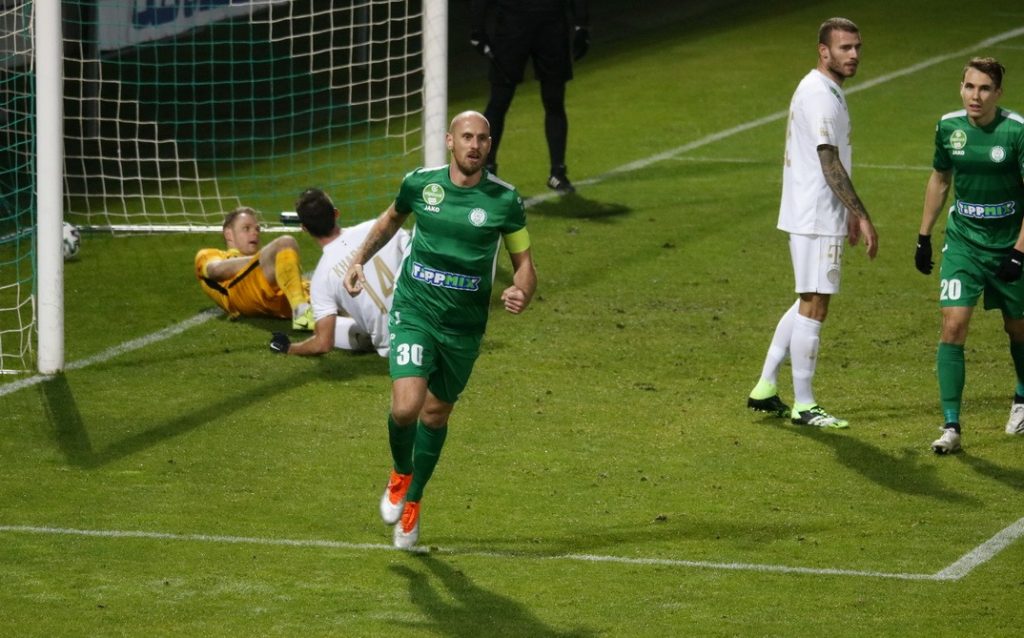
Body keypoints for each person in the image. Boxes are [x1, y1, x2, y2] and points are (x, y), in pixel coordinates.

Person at [343, 111, 537, 549]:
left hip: (464, 326)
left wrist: (521, 290)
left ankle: (413, 500)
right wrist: (359, 260)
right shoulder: (420, 184)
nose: (474, 145)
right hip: (415, 311)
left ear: (490, 145)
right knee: (406, 408)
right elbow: (391, 219)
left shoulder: (504, 200)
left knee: (434, 414)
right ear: (450, 141)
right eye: (466, 137)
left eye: (482, 139)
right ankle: (400, 473)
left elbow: (524, 264)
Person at [746, 17, 879, 429]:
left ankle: (766, 386)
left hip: (814, 210)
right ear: (824, 51)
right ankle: (805, 404)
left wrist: (848, 211)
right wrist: (861, 213)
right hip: (817, 214)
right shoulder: (820, 94)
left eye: (857, 47)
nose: (853, 55)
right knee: (815, 304)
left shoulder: (822, 87)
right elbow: (828, 159)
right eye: (844, 48)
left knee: (807, 298)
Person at [914, 57, 1024, 454]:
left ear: (998, 93)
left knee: (1018, 329)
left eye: (984, 88)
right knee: (953, 326)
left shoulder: (1016, 132)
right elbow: (940, 178)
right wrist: (924, 235)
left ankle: (1022, 396)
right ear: (961, 88)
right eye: (969, 86)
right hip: (964, 243)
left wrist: (1019, 252)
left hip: (1010, 243)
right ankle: (951, 426)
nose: (974, 96)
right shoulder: (949, 127)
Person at [267, 188, 410, 357]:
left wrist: (289, 348)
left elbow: (323, 343)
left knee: (329, 323)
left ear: (304, 228)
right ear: (336, 213)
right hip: (428, 321)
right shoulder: (379, 228)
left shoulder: (321, 277)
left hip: (394, 347)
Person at [469, 0, 589, 194]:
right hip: (512, 24)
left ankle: (558, 173)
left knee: (554, 101)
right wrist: (477, 28)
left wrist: (581, 24)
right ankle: (486, 171)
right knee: (499, 101)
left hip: (552, 24)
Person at [194, 206, 314, 330]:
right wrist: (266, 258)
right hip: (240, 293)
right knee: (285, 243)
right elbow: (215, 270)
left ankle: (308, 310)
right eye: (246, 228)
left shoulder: (266, 264)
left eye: (257, 229)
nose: (254, 233)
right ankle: (303, 318)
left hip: (276, 299)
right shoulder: (210, 254)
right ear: (228, 234)